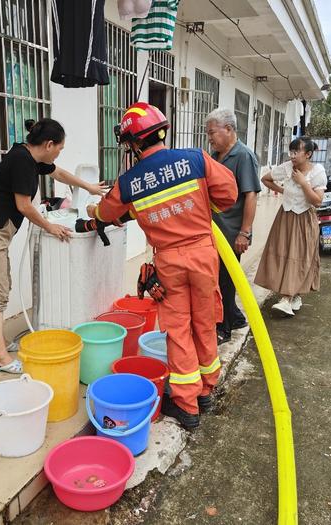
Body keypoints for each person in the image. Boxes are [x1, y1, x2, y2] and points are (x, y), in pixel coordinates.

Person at [86, 102, 237, 430]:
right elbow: (228, 195)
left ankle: (187, 406)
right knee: (205, 321)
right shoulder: (195, 159)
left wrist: (92, 214)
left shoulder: (129, 182)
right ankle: (207, 390)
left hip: (169, 261)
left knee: (179, 330)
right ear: (161, 131)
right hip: (203, 253)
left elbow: (107, 213)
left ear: (135, 143)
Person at [0, 118, 107, 373]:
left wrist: (88, 185)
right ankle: (0, 357)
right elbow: (24, 206)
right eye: (60, 148)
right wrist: (50, 226)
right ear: (49, 144)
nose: (59, 153)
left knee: (2, 285)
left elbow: (59, 173)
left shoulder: (28, 156)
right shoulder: (22, 162)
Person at [205, 108, 261, 345]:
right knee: (217, 279)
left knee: (225, 282)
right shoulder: (215, 155)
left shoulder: (243, 156)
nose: (209, 138)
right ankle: (236, 317)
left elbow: (251, 196)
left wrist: (244, 233)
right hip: (214, 230)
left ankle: (223, 329)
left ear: (228, 129)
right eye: (207, 134)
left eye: (212, 133)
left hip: (232, 233)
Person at [255, 137, 327, 317]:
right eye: (291, 152)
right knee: (282, 254)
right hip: (285, 217)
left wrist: (303, 183)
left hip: (304, 219)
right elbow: (266, 179)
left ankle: (286, 298)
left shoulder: (317, 172)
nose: (293, 156)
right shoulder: (286, 168)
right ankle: (293, 296)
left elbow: (317, 201)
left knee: (298, 257)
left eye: (297, 152)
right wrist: (283, 191)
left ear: (308, 154)